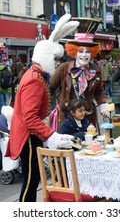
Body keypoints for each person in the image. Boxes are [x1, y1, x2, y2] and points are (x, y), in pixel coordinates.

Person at [5, 14, 79, 202]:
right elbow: (30, 117)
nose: (56, 63)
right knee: (31, 181)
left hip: (31, 135)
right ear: (46, 57)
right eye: (55, 59)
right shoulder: (35, 80)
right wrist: (50, 135)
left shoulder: (35, 75)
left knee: (34, 178)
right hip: (28, 137)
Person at [50, 18, 107, 133]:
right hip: (67, 117)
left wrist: (103, 106)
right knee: (68, 145)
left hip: (88, 116)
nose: (84, 55)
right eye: (80, 51)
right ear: (74, 52)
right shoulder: (63, 68)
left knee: (90, 145)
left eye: (88, 52)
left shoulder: (96, 70)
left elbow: (99, 91)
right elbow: (50, 88)